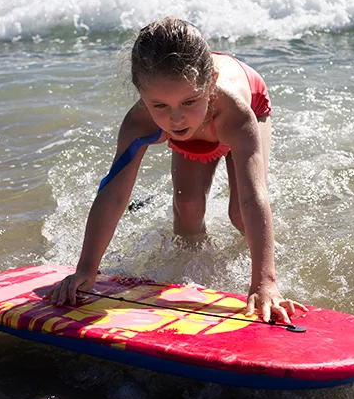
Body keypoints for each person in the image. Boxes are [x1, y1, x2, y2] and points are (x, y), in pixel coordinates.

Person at [48, 17, 307, 324]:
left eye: (187, 103)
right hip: (198, 101)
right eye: (159, 106)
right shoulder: (141, 121)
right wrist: (86, 268)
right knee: (187, 209)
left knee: (240, 211)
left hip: (239, 103)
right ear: (142, 95)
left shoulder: (234, 114)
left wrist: (264, 282)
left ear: (210, 84)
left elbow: (254, 196)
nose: (176, 120)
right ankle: (198, 275)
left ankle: (262, 260)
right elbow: (114, 194)